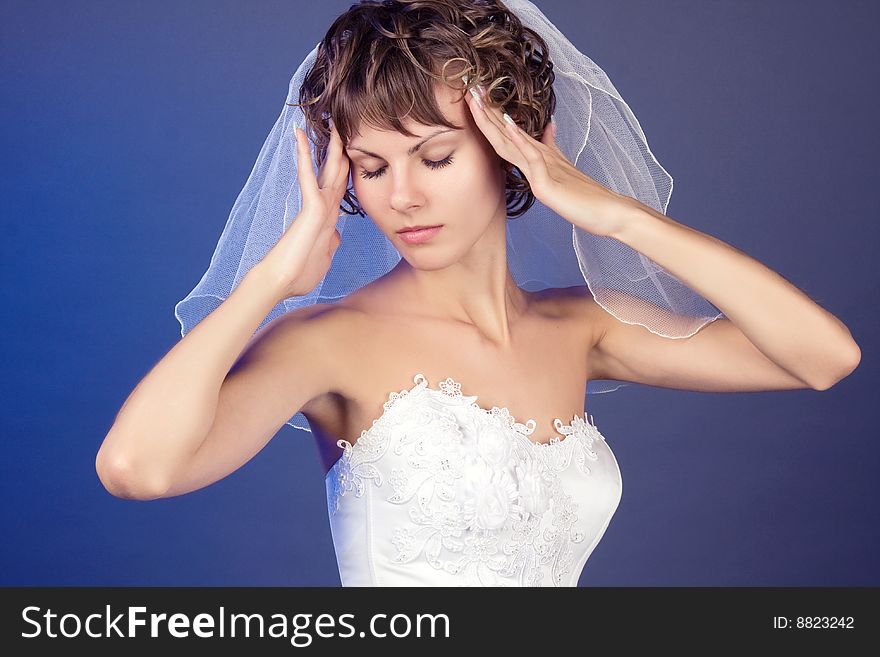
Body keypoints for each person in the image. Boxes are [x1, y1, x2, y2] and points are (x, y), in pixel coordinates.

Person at [95, 0, 861, 587]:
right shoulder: (324, 343)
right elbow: (137, 468)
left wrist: (614, 214)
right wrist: (271, 281)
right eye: (372, 165)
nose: (402, 196)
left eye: (435, 157)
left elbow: (822, 357)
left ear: (510, 148)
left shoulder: (581, 328)